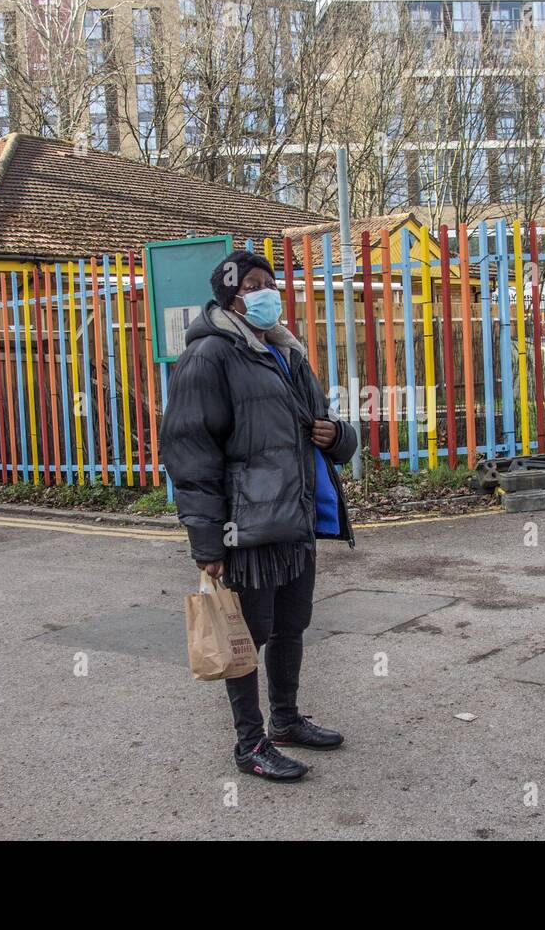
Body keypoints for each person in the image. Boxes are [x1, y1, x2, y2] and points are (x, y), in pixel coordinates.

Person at [160, 250, 356, 782]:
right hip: (245, 526)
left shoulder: (285, 352)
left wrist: (339, 436)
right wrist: (207, 540)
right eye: (253, 284)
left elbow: (323, 425)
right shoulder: (209, 358)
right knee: (248, 634)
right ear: (230, 295)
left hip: (296, 519)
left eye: (270, 282)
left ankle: (287, 721)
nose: (267, 292)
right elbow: (189, 453)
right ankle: (250, 743)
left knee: (293, 625)